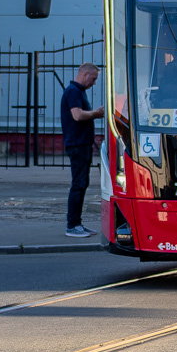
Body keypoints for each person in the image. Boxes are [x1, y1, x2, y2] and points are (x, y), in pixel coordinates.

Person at [61, 62, 104, 237]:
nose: (93, 83)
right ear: (85, 74)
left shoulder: (77, 92)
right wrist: (96, 113)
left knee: (81, 183)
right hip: (78, 145)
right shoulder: (74, 91)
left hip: (81, 144)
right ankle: (72, 225)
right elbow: (77, 115)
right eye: (93, 79)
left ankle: (76, 223)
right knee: (78, 184)